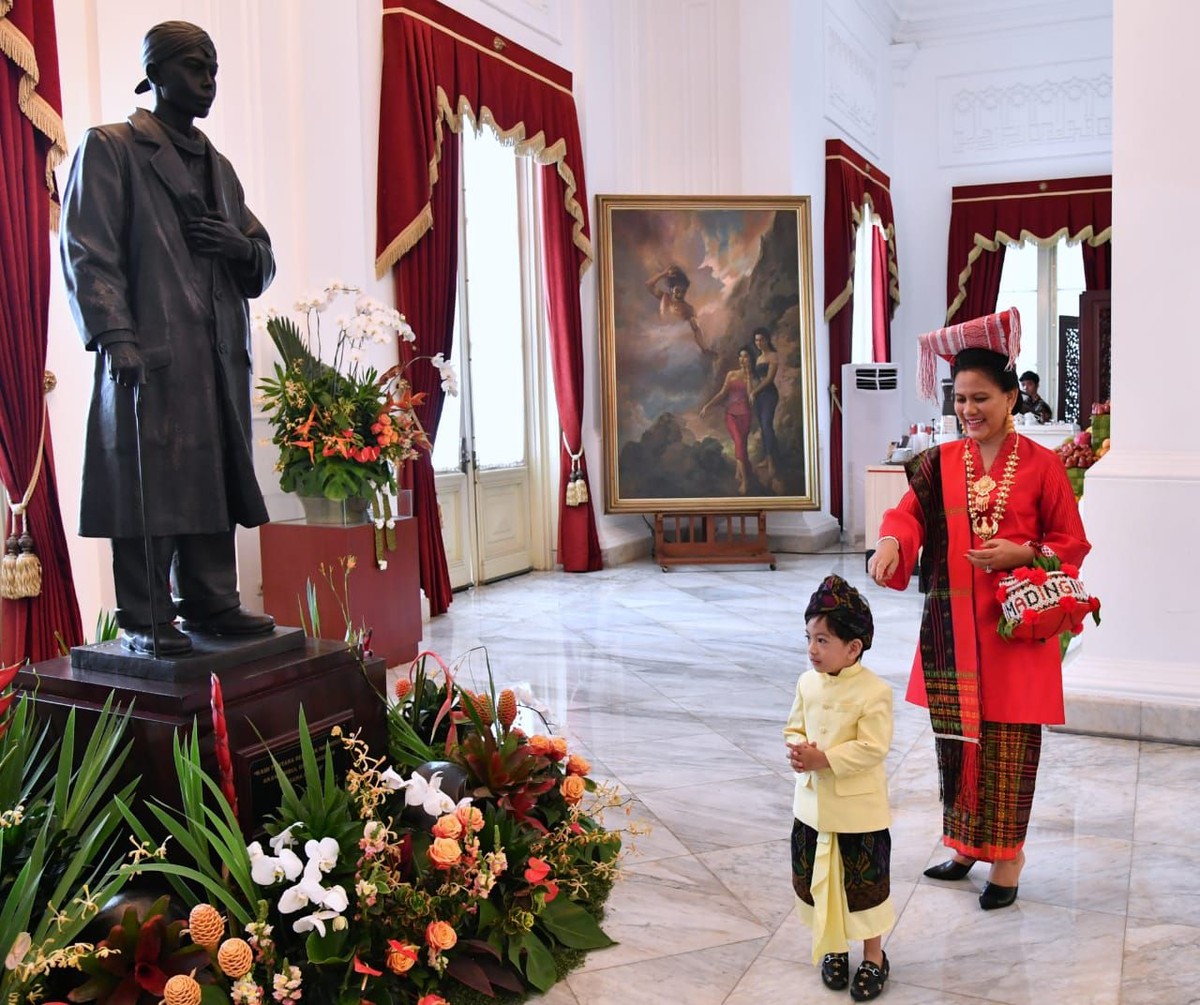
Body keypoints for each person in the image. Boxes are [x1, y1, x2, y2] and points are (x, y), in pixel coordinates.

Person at [60, 21, 276, 657]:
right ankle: (146, 614)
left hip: (214, 355)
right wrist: (114, 334)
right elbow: (86, 251)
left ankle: (212, 600)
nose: (209, 82)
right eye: (194, 67)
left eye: (213, 70)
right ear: (154, 74)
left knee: (208, 475)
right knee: (147, 481)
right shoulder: (112, 148)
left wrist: (240, 246)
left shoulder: (220, 168)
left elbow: (261, 259)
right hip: (147, 351)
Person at [869, 307, 1090, 911]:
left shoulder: (1044, 466)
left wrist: (1026, 551)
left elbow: (1072, 543)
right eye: (960, 399)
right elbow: (906, 515)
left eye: (981, 398)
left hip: (1015, 633)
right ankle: (965, 844)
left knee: (1010, 748)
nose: (968, 410)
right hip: (953, 626)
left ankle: (1008, 859)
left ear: (1012, 397)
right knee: (957, 742)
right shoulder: (938, 463)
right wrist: (892, 540)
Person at [785, 574, 893, 1002]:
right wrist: (797, 747)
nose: (812, 649)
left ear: (854, 647)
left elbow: (873, 747)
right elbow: (794, 725)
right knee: (818, 882)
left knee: (863, 888)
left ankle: (874, 956)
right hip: (812, 809)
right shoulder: (806, 683)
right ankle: (833, 948)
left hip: (857, 816)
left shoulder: (875, 692)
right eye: (809, 638)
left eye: (823, 640)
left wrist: (825, 758)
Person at [700, 347, 754, 494]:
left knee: (742, 444)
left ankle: (739, 472)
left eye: (746, 357)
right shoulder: (731, 374)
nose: (742, 359)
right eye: (740, 356)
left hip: (746, 414)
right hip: (731, 414)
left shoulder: (752, 377)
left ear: (750, 359)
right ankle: (745, 482)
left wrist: (749, 376)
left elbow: (750, 397)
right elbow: (722, 393)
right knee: (738, 442)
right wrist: (707, 406)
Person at [646, 264, 708, 353]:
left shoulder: (688, 309)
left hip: (675, 347)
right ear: (671, 289)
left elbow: (697, 330)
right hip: (658, 340)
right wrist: (663, 274)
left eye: (683, 291)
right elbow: (648, 285)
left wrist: (704, 349)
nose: (680, 294)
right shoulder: (665, 297)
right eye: (678, 290)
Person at [749, 327, 781, 482]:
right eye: (756, 340)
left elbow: (769, 380)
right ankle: (769, 458)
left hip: (769, 394)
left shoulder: (773, 356)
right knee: (763, 427)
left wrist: (754, 392)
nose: (758, 343)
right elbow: (756, 378)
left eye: (761, 339)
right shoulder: (759, 358)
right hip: (760, 395)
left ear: (767, 340)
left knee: (767, 425)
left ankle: (773, 464)